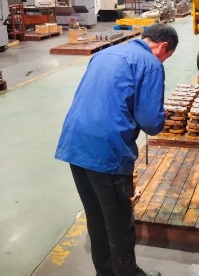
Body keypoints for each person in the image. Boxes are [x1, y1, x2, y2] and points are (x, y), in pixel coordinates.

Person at [55, 24, 178, 276]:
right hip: (107, 151)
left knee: (97, 218)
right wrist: (161, 116)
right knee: (120, 223)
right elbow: (151, 122)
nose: (163, 61)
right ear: (163, 46)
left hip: (75, 143)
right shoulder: (150, 64)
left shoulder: (105, 54)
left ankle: (106, 272)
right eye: (167, 56)